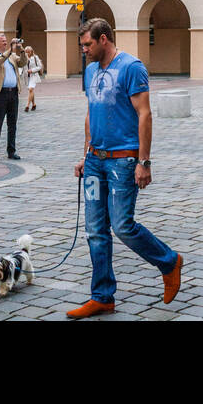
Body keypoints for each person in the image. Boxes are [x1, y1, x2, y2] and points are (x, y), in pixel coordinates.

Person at [67, 18, 183, 319]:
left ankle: (168, 261)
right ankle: (102, 296)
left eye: (88, 44)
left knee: (122, 225)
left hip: (123, 160)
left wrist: (144, 162)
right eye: (82, 45)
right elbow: (91, 113)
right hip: (95, 161)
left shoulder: (131, 67)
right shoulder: (91, 70)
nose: (84, 51)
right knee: (95, 231)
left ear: (103, 39)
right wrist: (85, 155)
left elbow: (144, 114)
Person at [0, 33, 24, 160]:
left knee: (12, 124)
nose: (5, 43)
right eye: (3, 41)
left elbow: (22, 63)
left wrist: (21, 50)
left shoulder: (13, 56)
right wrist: (10, 50)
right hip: (0, 94)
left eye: (6, 41)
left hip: (13, 93)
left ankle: (11, 151)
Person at [24, 44, 42, 112]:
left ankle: (27, 106)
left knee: (31, 89)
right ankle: (34, 104)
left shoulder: (35, 57)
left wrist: (32, 70)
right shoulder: (23, 58)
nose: (27, 53)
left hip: (34, 75)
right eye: (26, 51)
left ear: (31, 51)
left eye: (29, 51)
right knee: (31, 91)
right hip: (26, 76)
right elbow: (22, 66)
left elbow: (39, 67)